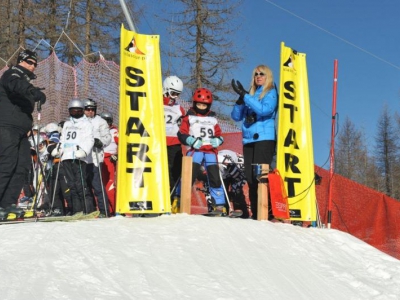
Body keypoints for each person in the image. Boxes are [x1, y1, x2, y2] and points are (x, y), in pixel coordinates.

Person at [0, 49, 46, 220]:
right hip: (6, 127)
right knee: (7, 164)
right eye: (29, 62)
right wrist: (33, 91)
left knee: (22, 166)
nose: (32, 66)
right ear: (21, 61)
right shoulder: (13, 73)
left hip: (21, 131)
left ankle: (7, 204)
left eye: (35, 64)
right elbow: (15, 84)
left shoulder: (24, 80)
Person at [231, 65, 278, 220]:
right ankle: (257, 214)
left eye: (262, 74)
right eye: (256, 74)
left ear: (268, 76)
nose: (258, 76)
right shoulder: (250, 94)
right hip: (249, 139)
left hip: (264, 139)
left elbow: (264, 110)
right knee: (250, 177)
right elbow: (236, 116)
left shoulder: (270, 91)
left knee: (261, 176)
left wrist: (245, 96)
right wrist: (240, 100)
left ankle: (269, 212)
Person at [177, 88, 226, 214]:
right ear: (194, 103)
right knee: (189, 174)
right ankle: (179, 198)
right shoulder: (189, 117)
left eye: (204, 105)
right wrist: (191, 141)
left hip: (210, 151)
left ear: (208, 105)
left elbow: (219, 133)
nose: (201, 107)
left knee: (215, 177)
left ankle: (219, 204)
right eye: (199, 104)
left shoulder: (213, 119)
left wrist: (219, 140)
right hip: (196, 150)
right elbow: (182, 133)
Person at [51, 99, 95, 215]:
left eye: (78, 111)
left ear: (82, 111)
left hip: (79, 156)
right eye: (73, 111)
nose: (75, 113)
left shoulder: (86, 124)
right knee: (71, 185)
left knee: (80, 184)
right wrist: (59, 149)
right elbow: (63, 139)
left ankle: (88, 209)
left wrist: (84, 151)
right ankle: (77, 210)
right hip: (66, 156)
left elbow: (89, 139)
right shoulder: (67, 124)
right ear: (69, 111)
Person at [83, 99, 112, 217]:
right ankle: (89, 210)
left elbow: (107, 137)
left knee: (97, 185)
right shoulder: (79, 122)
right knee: (85, 186)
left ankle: (104, 210)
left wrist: (100, 142)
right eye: (87, 109)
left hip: (95, 158)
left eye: (92, 110)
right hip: (83, 158)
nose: (90, 112)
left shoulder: (100, 122)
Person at [162, 75, 186, 197]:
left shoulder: (179, 109)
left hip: (174, 144)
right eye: (173, 93)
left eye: (178, 94)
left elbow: (184, 125)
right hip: (159, 142)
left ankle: (173, 198)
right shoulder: (155, 103)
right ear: (165, 89)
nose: (175, 97)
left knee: (175, 171)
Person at [100, 112, 118, 215]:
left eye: (108, 122)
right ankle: (103, 209)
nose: (106, 124)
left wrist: (117, 154)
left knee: (110, 186)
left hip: (110, 160)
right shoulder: (97, 131)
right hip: (98, 160)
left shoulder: (114, 131)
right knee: (99, 186)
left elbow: (122, 144)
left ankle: (115, 209)